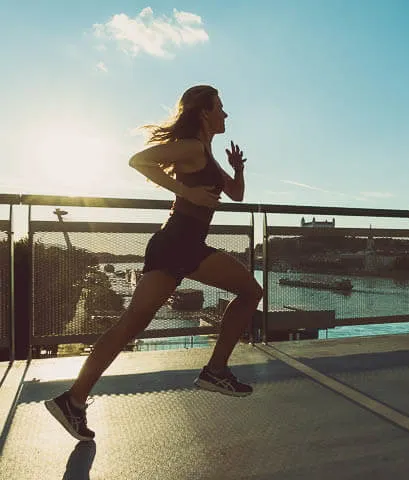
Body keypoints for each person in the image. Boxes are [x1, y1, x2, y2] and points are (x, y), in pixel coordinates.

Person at [45, 85, 263, 441]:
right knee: (251, 290)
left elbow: (236, 195)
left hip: (178, 243)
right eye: (221, 107)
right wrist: (186, 191)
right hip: (180, 242)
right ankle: (215, 370)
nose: (226, 114)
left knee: (130, 324)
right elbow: (138, 161)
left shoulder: (206, 153)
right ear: (204, 112)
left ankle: (72, 400)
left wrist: (237, 171)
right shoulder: (193, 147)